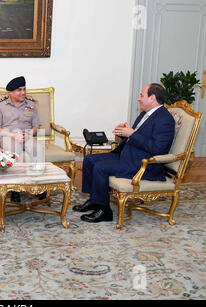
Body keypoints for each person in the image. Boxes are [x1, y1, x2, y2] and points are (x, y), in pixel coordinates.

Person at [73, 83, 175, 223]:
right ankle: (95, 201)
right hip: (128, 155)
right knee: (90, 159)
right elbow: (138, 137)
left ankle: (104, 211)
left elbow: (158, 149)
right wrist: (124, 133)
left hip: (143, 164)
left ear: (152, 98)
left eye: (141, 95)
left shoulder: (164, 119)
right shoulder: (145, 114)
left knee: (100, 168)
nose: (139, 99)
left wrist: (132, 134)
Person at [0, 76, 46, 202]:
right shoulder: (1, 105)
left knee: (38, 148)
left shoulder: (31, 104)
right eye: (19, 90)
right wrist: (13, 136)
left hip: (26, 135)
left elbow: (36, 125)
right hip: (9, 136)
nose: (23, 92)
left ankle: (38, 185)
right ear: (10, 92)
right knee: (14, 149)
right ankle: (15, 188)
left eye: (24, 89)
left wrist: (30, 134)